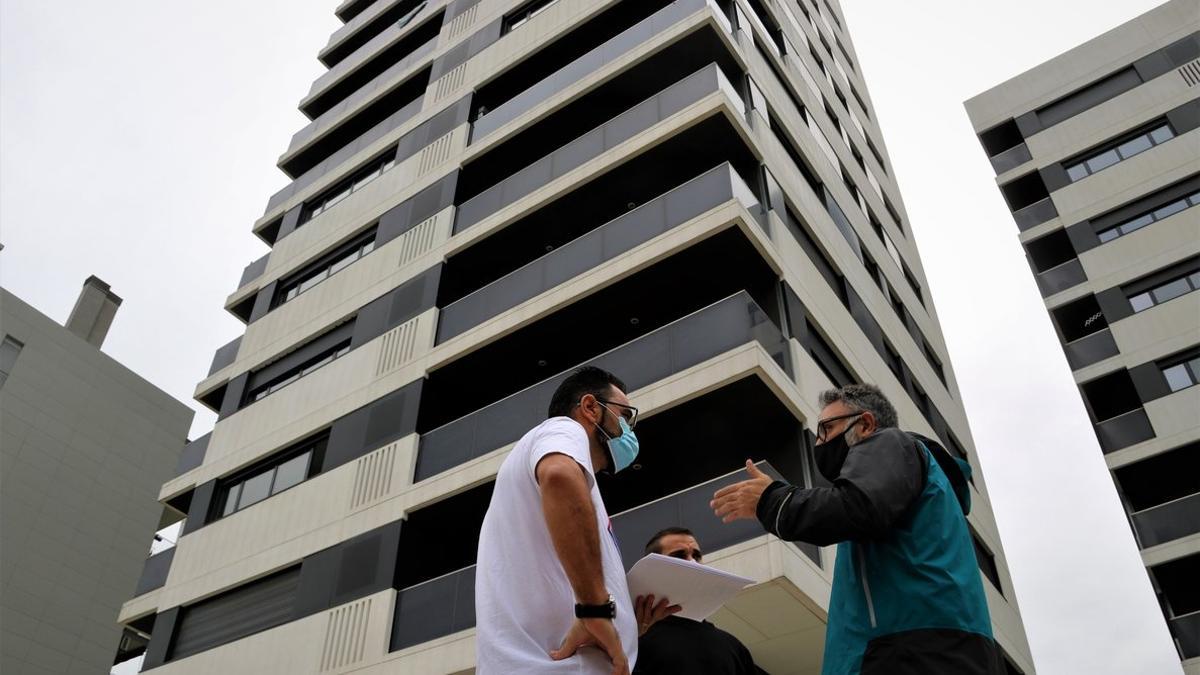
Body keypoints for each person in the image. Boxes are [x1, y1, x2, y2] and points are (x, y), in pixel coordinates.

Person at [710, 384, 1004, 675]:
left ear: (865, 424)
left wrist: (771, 499)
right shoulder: (923, 485)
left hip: (909, 652)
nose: (819, 443)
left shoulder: (889, 443)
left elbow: (854, 506)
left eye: (827, 429)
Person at [476, 366, 647, 675]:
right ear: (591, 407)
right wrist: (595, 609)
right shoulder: (563, 429)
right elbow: (558, 475)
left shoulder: (578, 485)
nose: (629, 429)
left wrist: (628, 623)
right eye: (625, 415)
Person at [632, 527, 763, 675]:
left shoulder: (732, 645)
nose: (692, 562)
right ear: (654, 568)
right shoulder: (632, 641)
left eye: (696, 555)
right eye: (680, 556)